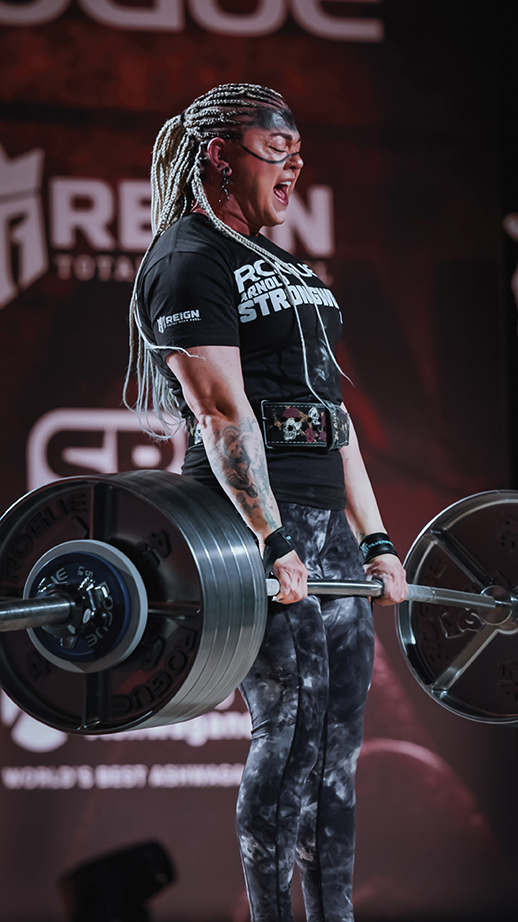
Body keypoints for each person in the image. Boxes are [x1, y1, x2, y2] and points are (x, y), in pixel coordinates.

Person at [125, 83, 407, 922]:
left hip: (329, 538)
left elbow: (334, 413)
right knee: (286, 740)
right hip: (260, 538)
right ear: (220, 156)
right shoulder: (187, 258)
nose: (294, 167)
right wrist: (273, 539)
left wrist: (378, 539)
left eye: (298, 154)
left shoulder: (287, 267)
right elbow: (221, 413)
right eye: (274, 150)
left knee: (336, 755)